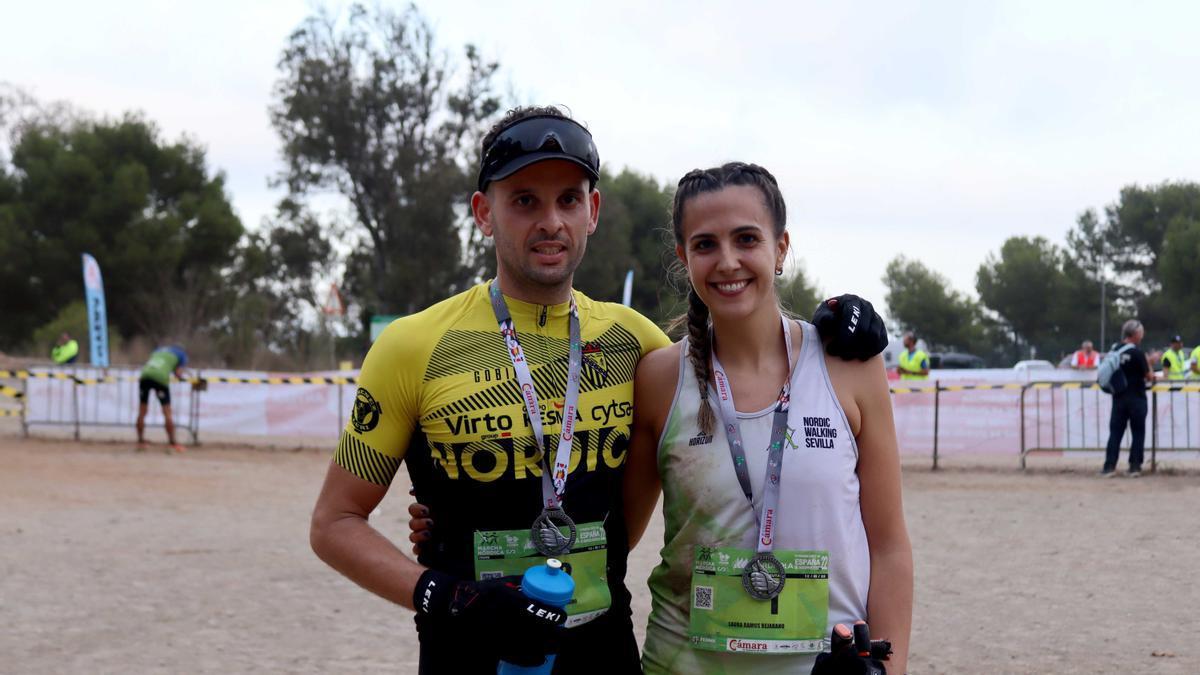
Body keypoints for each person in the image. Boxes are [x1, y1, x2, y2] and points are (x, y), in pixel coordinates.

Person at [312, 106, 889, 674]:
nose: (550, 222)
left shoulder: (635, 345)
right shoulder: (412, 346)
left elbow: (739, 336)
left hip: (603, 657)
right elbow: (334, 523)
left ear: (592, 211)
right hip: (468, 652)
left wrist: (836, 321)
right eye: (524, 201)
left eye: (567, 200)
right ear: (484, 213)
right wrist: (450, 594)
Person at [623, 163, 912, 673]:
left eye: (747, 239)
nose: (728, 261)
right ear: (683, 258)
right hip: (683, 663)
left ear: (780, 249)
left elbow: (888, 545)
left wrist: (888, 666)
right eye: (706, 244)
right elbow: (615, 533)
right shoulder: (658, 378)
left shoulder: (850, 365)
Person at [1102, 320, 1154, 477]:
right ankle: (1135, 466)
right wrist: (1150, 362)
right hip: (1136, 397)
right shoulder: (1137, 353)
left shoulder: (1114, 350)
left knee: (1115, 432)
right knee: (1138, 432)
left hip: (1118, 397)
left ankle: (1109, 466)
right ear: (1136, 334)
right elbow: (1148, 376)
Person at [136, 345, 187, 453]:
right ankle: (172, 443)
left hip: (145, 376)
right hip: (160, 378)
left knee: (142, 411)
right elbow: (178, 374)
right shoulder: (181, 355)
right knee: (167, 412)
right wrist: (181, 378)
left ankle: (140, 442)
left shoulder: (157, 350)